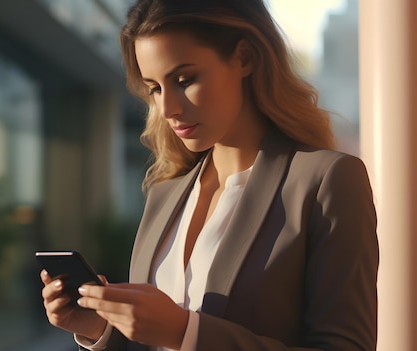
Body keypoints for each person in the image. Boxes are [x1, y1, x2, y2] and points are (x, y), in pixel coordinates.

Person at [40, 0, 378, 350]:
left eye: (185, 80)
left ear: (244, 58)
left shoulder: (326, 181)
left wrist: (186, 332)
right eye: (155, 88)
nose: (168, 108)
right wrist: (102, 331)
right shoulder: (165, 194)